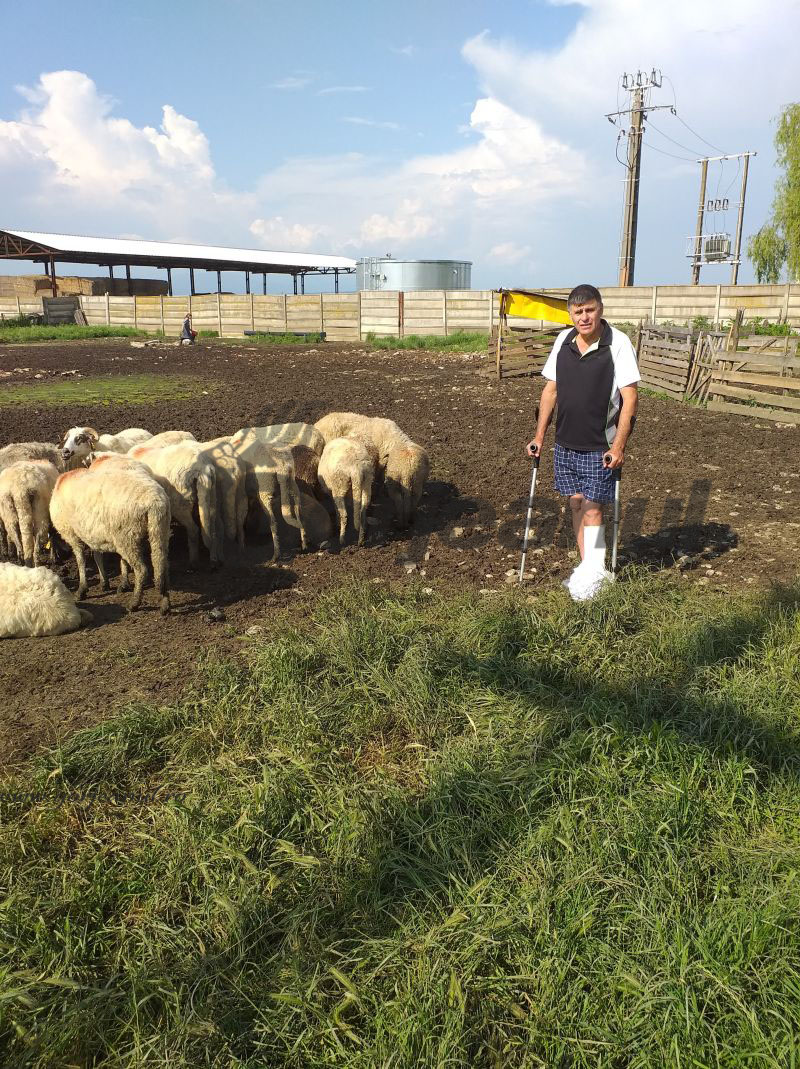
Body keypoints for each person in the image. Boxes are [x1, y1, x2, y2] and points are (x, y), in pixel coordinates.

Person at [526, 284, 640, 600]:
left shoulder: (618, 343)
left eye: (590, 310)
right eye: (578, 312)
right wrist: (539, 436)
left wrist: (618, 447)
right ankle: (589, 569)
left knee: (593, 510)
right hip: (565, 444)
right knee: (576, 504)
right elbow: (550, 391)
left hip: (599, 446)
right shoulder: (563, 341)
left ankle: (595, 575)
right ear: (570, 314)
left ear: (600, 309)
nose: (584, 317)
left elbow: (630, 398)